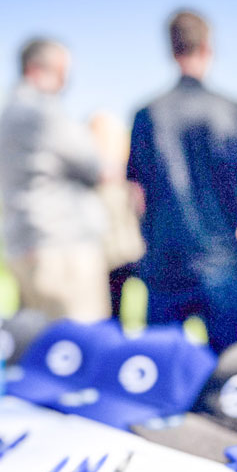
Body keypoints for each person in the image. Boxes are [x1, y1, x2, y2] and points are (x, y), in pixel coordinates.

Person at [127, 10, 237, 354]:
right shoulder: (234, 110)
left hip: (164, 260)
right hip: (222, 259)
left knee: (157, 369)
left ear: (172, 50)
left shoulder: (147, 114)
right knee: (229, 370)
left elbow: (135, 193)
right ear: (208, 47)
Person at [0, 38, 110, 322]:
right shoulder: (40, 111)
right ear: (36, 69)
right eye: (62, 71)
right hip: (61, 249)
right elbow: (96, 167)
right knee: (84, 347)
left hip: (30, 245)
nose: (66, 81)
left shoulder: (9, 111)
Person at [89, 111, 144, 321]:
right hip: (104, 256)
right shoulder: (86, 173)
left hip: (134, 250)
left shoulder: (131, 170)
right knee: (110, 314)